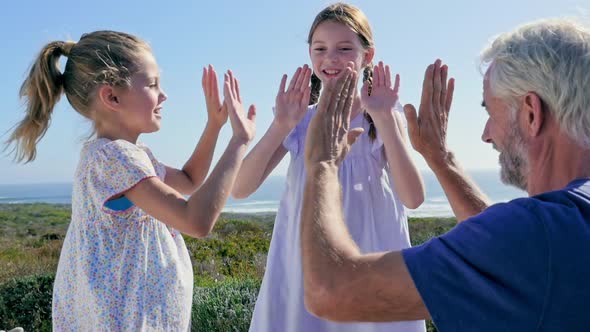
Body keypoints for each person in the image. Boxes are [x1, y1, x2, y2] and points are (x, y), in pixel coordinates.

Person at [300, 19, 590, 331]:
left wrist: (323, 164)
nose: (486, 134)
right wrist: (441, 159)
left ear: (532, 114)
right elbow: (511, 252)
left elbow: (329, 290)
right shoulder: (564, 226)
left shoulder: (539, 236)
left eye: (492, 114)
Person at [5, 30, 256, 330]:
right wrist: (239, 142)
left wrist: (214, 126)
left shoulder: (129, 156)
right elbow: (196, 221)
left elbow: (190, 180)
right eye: (152, 84)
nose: (164, 95)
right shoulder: (114, 159)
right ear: (112, 96)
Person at [232, 3, 426, 331]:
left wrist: (384, 119)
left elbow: (413, 197)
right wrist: (280, 124)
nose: (330, 58)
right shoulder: (299, 120)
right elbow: (240, 188)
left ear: (369, 54)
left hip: (371, 258)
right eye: (319, 49)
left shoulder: (381, 117)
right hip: (307, 258)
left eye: (344, 48)